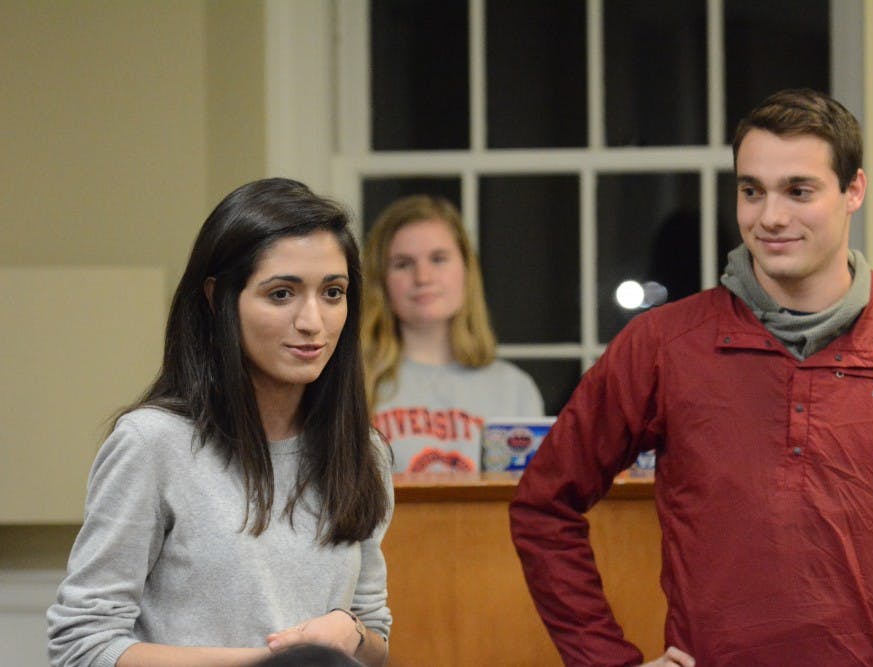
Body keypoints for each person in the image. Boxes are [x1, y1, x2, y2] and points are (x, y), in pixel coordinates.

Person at [509, 88, 873, 667]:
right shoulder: (662, 347)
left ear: (853, 191)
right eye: (751, 191)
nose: (770, 217)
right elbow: (544, 506)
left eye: (799, 191)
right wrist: (606, 661)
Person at [47, 178, 393, 667]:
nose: (313, 321)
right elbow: (81, 646)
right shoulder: (153, 444)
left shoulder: (364, 451)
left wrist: (353, 633)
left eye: (333, 292)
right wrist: (265, 665)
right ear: (219, 299)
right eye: (281, 294)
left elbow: (376, 638)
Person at [361, 194, 544, 473]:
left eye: (438, 259)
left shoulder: (515, 389)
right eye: (403, 264)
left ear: (466, 270)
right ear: (380, 281)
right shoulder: (352, 384)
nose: (423, 278)